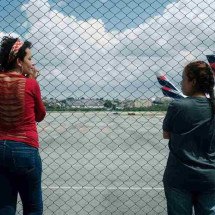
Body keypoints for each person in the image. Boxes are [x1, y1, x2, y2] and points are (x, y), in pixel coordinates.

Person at [0, 36, 46, 215]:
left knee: (4, 205)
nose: (31, 63)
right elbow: (40, 115)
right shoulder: (30, 84)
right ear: (19, 61)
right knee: (32, 206)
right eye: (29, 58)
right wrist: (33, 80)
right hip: (24, 148)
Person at [162, 60, 215, 215]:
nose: (181, 83)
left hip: (179, 176)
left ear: (193, 81)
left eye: (184, 79)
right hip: (210, 176)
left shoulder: (177, 106)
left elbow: (167, 134)